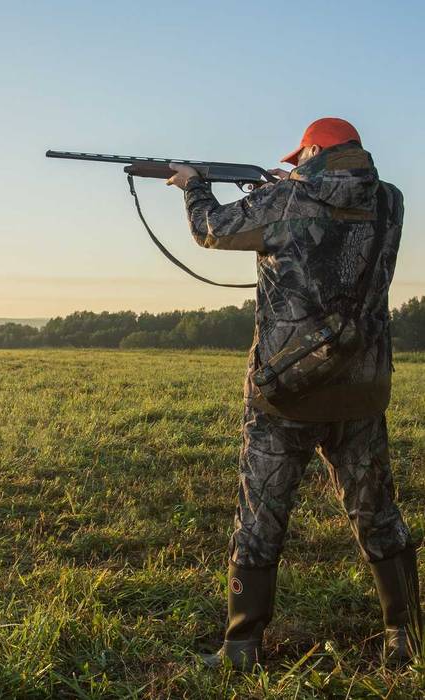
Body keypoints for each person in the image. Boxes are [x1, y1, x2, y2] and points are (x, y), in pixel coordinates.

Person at [165, 117, 418, 670]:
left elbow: (211, 229)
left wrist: (193, 184)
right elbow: (330, 212)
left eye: (299, 157)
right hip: (361, 387)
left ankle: (241, 648)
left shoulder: (284, 200)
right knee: (377, 512)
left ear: (312, 152)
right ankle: (407, 636)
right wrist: (288, 186)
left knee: (260, 515)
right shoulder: (391, 201)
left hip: (285, 392)